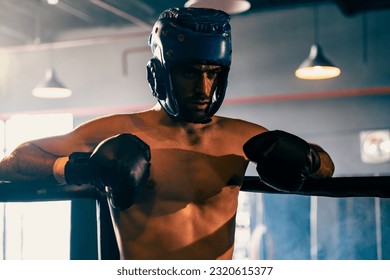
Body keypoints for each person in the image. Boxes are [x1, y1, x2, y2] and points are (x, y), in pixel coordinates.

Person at [0, 7, 334, 260]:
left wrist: (307, 158)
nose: (204, 88)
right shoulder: (118, 130)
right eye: (189, 73)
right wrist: (79, 168)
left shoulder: (242, 138)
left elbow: (327, 166)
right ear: (159, 75)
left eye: (212, 73)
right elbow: (14, 161)